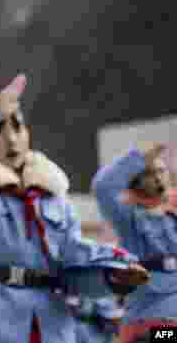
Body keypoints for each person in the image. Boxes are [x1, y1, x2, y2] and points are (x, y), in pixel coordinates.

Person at [0, 74, 148, 343]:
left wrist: (111, 275)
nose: (11, 138)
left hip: (50, 327)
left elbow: (72, 264)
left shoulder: (53, 197)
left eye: (17, 126)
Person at [92, 142, 177, 342]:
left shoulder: (172, 218)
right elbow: (103, 187)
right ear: (136, 181)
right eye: (150, 173)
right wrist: (137, 158)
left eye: (161, 171)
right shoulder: (129, 219)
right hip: (150, 328)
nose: (158, 178)